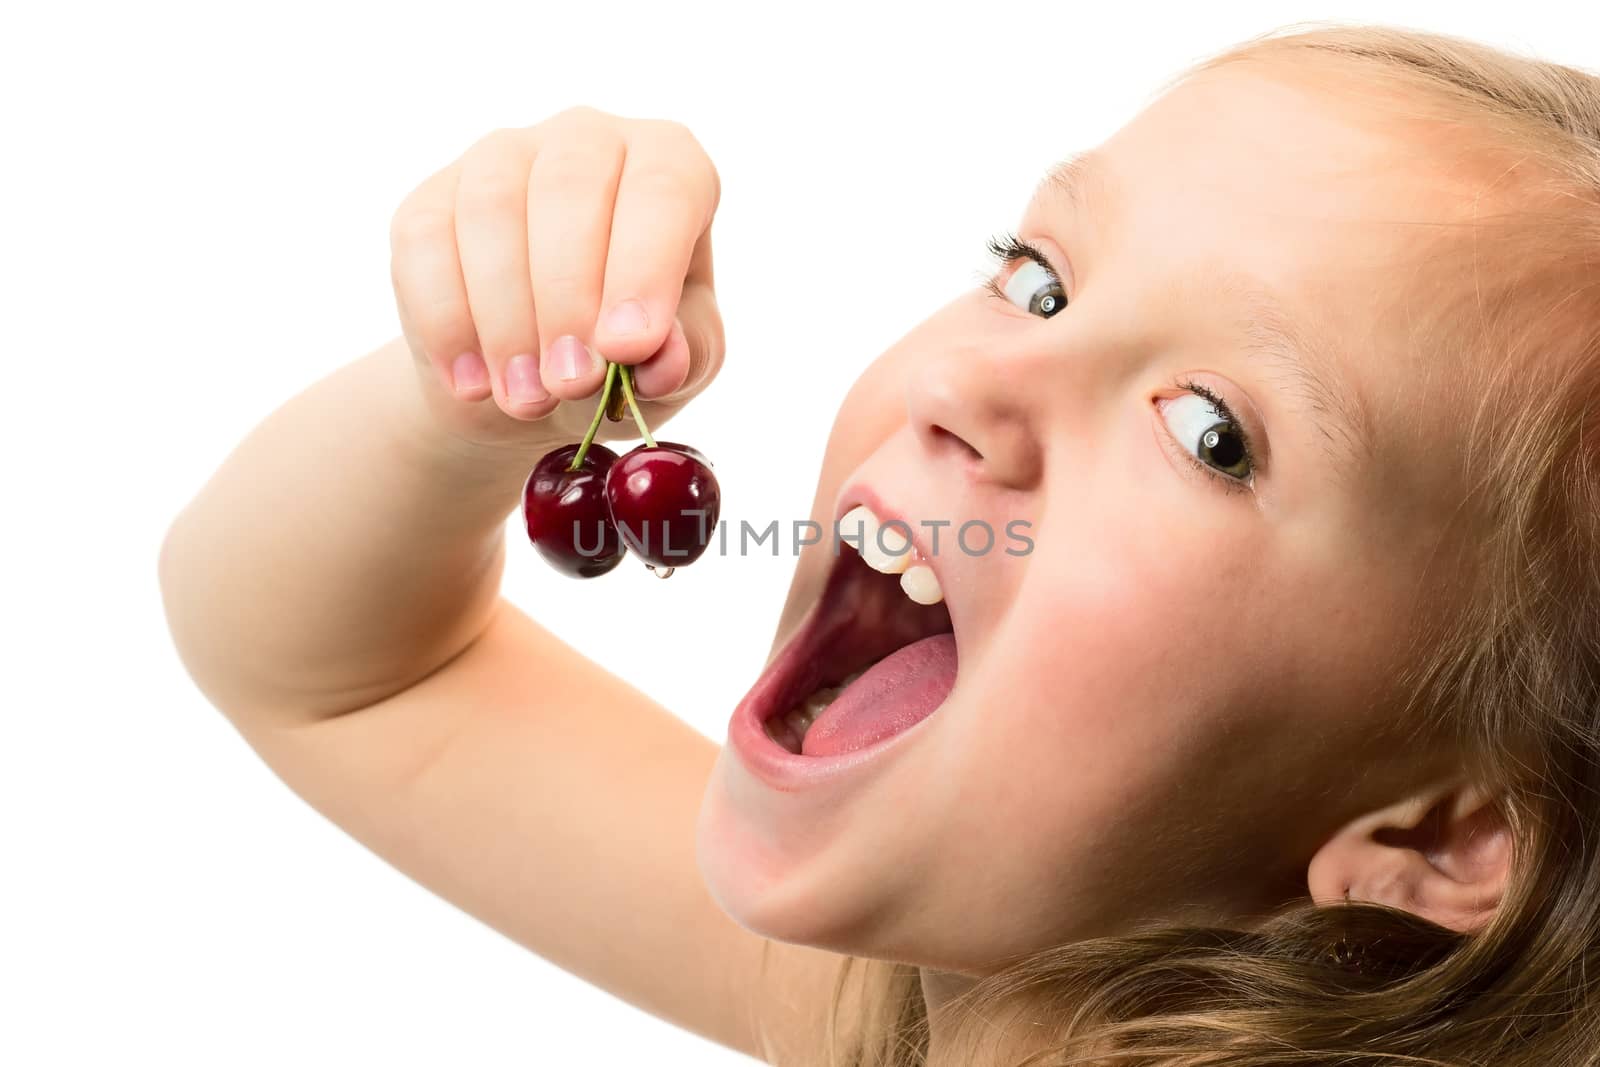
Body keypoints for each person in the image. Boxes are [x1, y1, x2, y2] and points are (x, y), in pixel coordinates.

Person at [158, 21, 1600, 1065]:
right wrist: (466, 403)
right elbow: (348, 679)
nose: (975, 388)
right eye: (1036, 281)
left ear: (1446, 829)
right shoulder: (914, 1003)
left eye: (1210, 432)